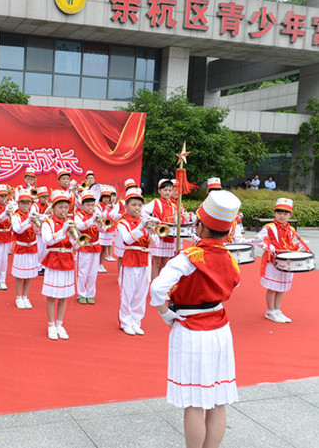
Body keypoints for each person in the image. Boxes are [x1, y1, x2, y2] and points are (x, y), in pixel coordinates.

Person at [150, 190, 243, 448]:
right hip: (220, 329)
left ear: (200, 226)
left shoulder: (188, 257)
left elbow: (157, 289)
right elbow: (235, 284)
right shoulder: (231, 259)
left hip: (191, 330)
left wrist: (165, 313)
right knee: (216, 399)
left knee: (194, 401)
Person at [258, 198, 311, 323]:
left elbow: (291, 245)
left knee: (282, 287)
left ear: (290, 215)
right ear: (274, 213)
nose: (282, 216)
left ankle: (277, 309)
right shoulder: (269, 227)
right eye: (279, 212)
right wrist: (268, 247)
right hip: (273, 261)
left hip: (287, 262)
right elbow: (259, 240)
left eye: (285, 213)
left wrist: (301, 246)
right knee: (272, 287)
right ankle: (270, 311)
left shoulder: (291, 230)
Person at [116, 187, 152, 336]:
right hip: (130, 258)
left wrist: (153, 229)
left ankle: (136, 321)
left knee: (141, 293)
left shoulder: (144, 221)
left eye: (139, 205)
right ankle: (125, 321)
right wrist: (142, 226)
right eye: (134, 205)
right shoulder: (122, 222)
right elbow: (128, 240)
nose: (137, 208)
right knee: (127, 292)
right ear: (126, 206)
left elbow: (154, 242)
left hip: (144, 259)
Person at [41, 190, 77, 340]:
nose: (63, 210)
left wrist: (71, 234)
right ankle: (51, 325)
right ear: (54, 208)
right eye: (60, 207)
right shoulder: (48, 223)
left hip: (67, 258)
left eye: (65, 207)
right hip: (54, 259)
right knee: (51, 295)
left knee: (63, 296)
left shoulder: (70, 223)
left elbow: (77, 245)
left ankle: (60, 324)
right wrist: (62, 231)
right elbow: (47, 240)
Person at [74, 190, 105, 305]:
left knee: (93, 273)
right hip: (84, 246)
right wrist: (91, 221)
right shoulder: (78, 215)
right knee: (82, 272)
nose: (90, 207)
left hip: (95, 246)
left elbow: (103, 230)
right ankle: (81, 294)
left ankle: (91, 294)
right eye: (87, 205)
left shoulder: (96, 215)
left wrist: (100, 223)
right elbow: (80, 227)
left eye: (92, 205)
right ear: (82, 205)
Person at [10, 190, 39, 309]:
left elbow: (38, 231)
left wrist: (37, 223)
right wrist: (28, 221)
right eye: (23, 203)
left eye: (28, 203)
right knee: (19, 274)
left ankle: (25, 296)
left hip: (32, 246)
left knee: (29, 274)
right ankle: (18, 297)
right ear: (19, 204)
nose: (26, 205)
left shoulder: (32, 215)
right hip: (21, 247)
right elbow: (17, 229)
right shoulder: (16, 216)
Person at [143, 179, 176, 280]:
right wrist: (153, 219)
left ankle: (161, 283)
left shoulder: (173, 205)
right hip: (158, 236)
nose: (167, 192)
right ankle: (153, 282)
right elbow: (143, 212)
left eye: (170, 190)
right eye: (165, 190)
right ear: (159, 191)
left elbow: (177, 218)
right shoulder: (155, 202)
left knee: (165, 263)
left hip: (169, 237)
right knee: (156, 262)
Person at [95, 189, 115, 272]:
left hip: (107, 229)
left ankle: (101, 264)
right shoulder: (97, 206)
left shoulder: (111, 206)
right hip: (100, 230)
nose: (106, 199)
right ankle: (96, 265)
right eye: (105, 197)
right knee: (98, 248)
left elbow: (113, 216)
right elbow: (99, 217)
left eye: (108, 197)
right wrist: (106, 210)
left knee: (104, 249)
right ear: (101, 198)